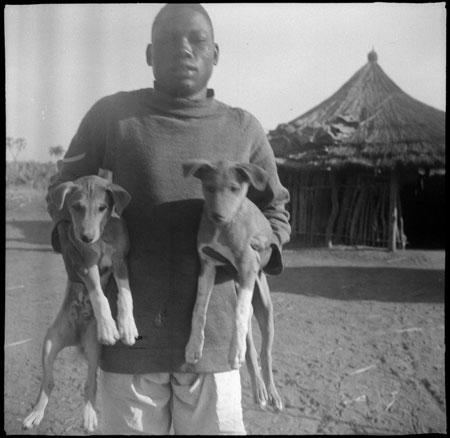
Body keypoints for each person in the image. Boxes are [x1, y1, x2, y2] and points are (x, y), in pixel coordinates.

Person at [47, 3, 291, 435]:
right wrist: (73, 243)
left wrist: (263, 247)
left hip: (215, 347)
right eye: (167, 41)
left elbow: (275, 208)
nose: (183, 50)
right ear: (147, 53)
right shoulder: (113, 117)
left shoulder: (243, 128)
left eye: (197, 40)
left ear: (215, 53)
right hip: (130, 343)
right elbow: (62, 189)